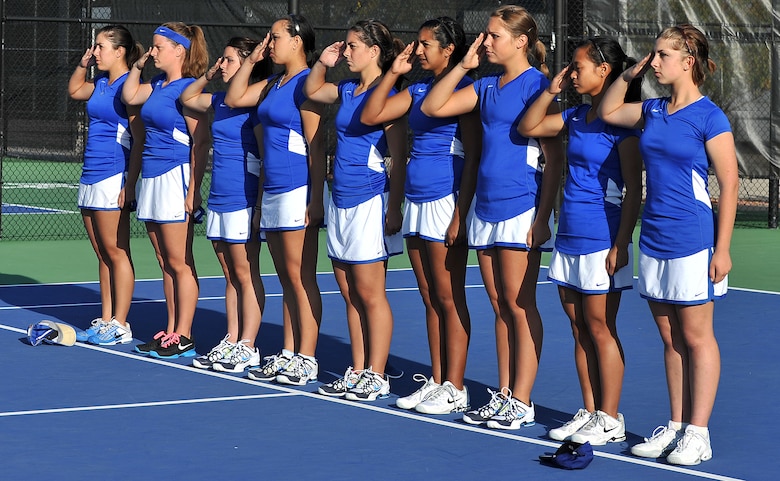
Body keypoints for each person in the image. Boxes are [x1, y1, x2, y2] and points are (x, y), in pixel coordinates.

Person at [598, 24, 738, 465]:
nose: (655, 62)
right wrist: (629, 74)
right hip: (654, 238)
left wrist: (722, 248)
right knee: (670, 337)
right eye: (654, 54)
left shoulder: (710, 117)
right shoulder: (652, 110)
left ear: (688, 61)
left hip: (692, 238)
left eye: (662, 55)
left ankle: (699, 433)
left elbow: (730, 185)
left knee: (696, 337)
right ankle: (676, 426)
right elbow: (607, 110)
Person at [421, 5, 564, 429]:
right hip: (485, 207)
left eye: (494, 35)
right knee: (500, 305)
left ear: (520, 42)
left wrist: (543, 217)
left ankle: (523, 399)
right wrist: (463, 65)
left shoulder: (538, 86)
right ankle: (504, 393)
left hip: (521, 206)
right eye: (484, 35)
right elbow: (433, 106)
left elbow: (554, 161)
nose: (485, 42)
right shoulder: (484, 86)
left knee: (520, 305)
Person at [518, 37, 642, 444]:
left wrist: (621, 243)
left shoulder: (622, 125)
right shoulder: (574, 116)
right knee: (577, 328)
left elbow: (633, 191)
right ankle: (589, 411)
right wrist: (550, 92)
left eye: (578, 66)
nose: (572, 73)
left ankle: (610, 417)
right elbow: (529, 127)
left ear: (604, 71)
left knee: (600, 327)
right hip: (569, 236)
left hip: (602, 237)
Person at [360, 17, 479, 414]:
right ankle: (438, 380)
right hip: (416, 198)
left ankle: (455, 387)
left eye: (427, 44)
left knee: (448, 296)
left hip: (446, 200)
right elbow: (372, 114)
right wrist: (393, 73)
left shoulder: (465, 89)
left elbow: (474, 155)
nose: (419, 49)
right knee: (429, 297)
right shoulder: (419, 89)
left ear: (449, 49)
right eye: (418, 42)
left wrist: (460, 214)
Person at [304, 19, 407, 401]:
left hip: (370, 201)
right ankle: (359, 369)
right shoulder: (347, 89)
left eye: (352, 46)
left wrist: (393, 208)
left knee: (370, 293)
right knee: (349, 292)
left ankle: (377, 375)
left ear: (374, 51)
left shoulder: (389, 95)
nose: (346, 52)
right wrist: (323, 61)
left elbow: (400, 157)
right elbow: (312, 89)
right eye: (345, 46)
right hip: (340, 201)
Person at [225, 15, 326, 385]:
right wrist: (252, 59)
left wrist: (316, 199)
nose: (270, 44)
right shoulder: (272, 84)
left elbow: (317, 145)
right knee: (286, 278)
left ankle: (307, 358)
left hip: (298, 189)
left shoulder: (307, 84)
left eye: (276, 37)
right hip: (273, 191)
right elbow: (234, 97)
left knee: (301, 277)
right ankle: (288, 352)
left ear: (297, 41)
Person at [180, 37, 270, 372]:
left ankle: (248, 345)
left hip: (243, 198)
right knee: (230, 275)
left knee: (245, 273)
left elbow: (265, 158)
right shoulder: (219, 100)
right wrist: (210, 74)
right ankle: (231, 339)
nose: (224, 64)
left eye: (230, 60)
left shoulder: (255, 104)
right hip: (218, 197)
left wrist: (258, 205)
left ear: (248, 63)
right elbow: (187, 97)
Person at [122, 22, 210, 359]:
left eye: (159, 47)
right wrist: (138, 65)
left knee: (179, 261)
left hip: (176, 176)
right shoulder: (158, 84)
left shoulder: (187, 89)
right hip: (153, 177)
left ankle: (184, 335)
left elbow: (200, 142)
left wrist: (193, 190)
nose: (153, 52)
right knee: (164, 261)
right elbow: (130, 96)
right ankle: (171, 330)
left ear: (179, 51)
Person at [67, 25, 144, 345]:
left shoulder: (130, 86)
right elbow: (75, 90)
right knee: (102, 253)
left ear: (119, 51)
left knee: (116, 250)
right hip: (90, 173)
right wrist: (83, 63)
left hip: (113, 175)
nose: (95, 51)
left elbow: (139, 139)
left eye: (100, 47)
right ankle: (107, 318)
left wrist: (130, 183)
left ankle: (121, 324)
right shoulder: (100, 83)